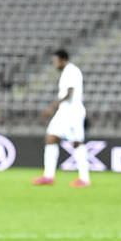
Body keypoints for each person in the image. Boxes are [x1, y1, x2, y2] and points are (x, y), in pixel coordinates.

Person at [34, 48, 90, 188]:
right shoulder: (68, 71)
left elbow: (69, 93)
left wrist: (52, 107)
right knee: (52, 138)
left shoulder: (71, 71)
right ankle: (49, 176)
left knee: (76, 142)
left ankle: (83, 178)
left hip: (71, 111)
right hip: (67, 111)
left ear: (62, 60)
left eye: (55, 60)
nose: (54, 63)